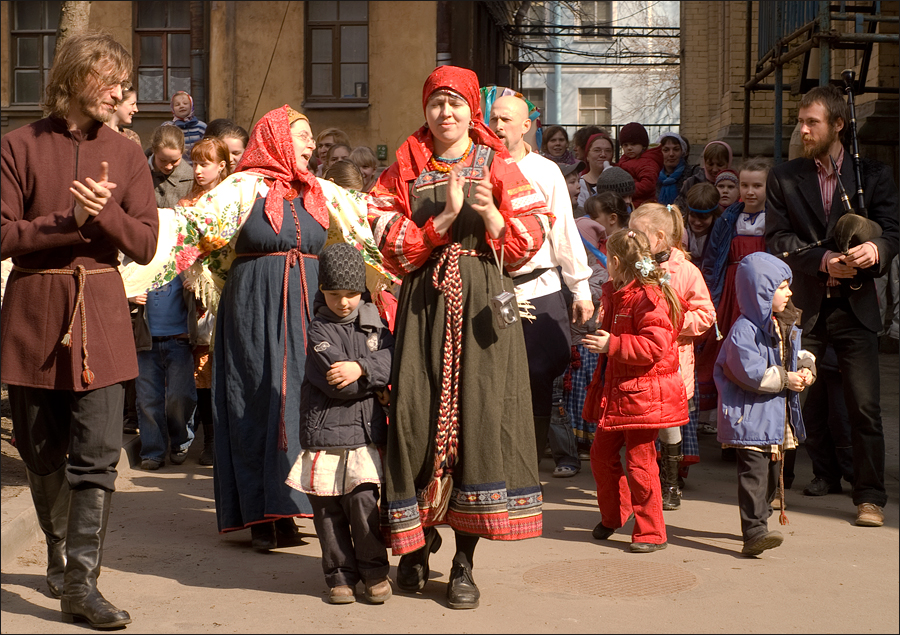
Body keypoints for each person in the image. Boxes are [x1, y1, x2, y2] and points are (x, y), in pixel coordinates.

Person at [367, 66, 552, 610]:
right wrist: (443, 219)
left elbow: (532, 237)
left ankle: (464, 562)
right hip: (423, 306)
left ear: (472, 109)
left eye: (454, 104)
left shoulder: (498, 164)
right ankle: (415, 545)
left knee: (479, 421)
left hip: (483, 312)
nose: (444, 114)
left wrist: (493, 214)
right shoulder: (404, 164)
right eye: (435, 104)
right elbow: (385, 238)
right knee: (414, 421)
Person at [1, 31, 159, 628]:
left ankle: (80, 585)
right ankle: (61, 552)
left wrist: (107, 215)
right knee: (42, 452)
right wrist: (70, 221)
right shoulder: (17, 146)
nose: (121, 92)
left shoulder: (125, 153)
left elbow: (145, 244)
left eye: (123, 81)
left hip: (104, 315)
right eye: (110, 80)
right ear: (72, 78)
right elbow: (2, 234)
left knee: (96, 454)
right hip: (35, 314)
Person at [766, 84, 899, 527]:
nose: (802, 130)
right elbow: (778, 240)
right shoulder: (784, 176)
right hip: (805, 307)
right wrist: (822, 260)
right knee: (795, 398)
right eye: (800, 122)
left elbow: (894, 233)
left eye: (812, 122)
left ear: (838, 125)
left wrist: (875, 250)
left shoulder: (872, 175)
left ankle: (870, 497)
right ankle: (783, 486)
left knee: (863, 407)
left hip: (856, 308)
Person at [212, 105, 327, 550]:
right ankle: (260, 513)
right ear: (278, 138)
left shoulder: (318, 192)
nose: (311, 143)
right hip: (255, 305)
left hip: (306, 306)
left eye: (312, 136)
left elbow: (361, 233)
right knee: (257, 397)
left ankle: (287, 505)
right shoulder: (241, 188)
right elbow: (192, 229)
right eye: (302, 135)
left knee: (298, 400)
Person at [488, 94, 593, 478]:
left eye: (506, 119)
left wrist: (580, 288)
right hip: (492, 288)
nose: (498, 126)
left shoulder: (545, 171)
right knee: (491, 380)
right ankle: (492, 466)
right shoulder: (478, 165)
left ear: (526, 126)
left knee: (539, 376)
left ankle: (526, 470)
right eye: (494, 118)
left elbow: (565, 230)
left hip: (540, 287)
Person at [285, 243, 394, 605]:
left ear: (362, 291)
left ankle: (375, 571)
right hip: (326, 436)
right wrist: (370, 373)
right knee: (329, 511)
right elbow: (340, 384)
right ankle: (340, 575)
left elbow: (393, 362)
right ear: (322, 291)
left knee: (364, 503)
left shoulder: (377, 325)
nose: (343, 303)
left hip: (365, 435)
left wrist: (361, 367)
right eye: (334, 295)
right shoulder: (318, 331)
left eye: (351, 294)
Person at [582, 228, 688, 552]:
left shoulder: (648, 296)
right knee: (600, 455)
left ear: (614, 261)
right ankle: (616, 515)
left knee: (641, 464)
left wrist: (611, 344)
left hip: (643, 395)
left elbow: (655, 345)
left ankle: (652, 532)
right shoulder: (619, 291)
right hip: (621, 391)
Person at [714, 252, 815, 555]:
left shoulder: (783, 324)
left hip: (773, 419)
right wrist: (787, 379)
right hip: (751, 419)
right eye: (782, 287)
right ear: (761, 292)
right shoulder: (743, 331)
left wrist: (807, 367)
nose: (790, 292)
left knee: (772, 476)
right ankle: (755, 531)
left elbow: (796, 354)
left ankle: (761, 521)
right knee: (754, 477)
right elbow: (751, 373)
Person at [629, 204, 716, 509]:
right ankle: (643, 482)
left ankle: (671, 482)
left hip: (673, 365)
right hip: (639, 362)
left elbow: (706, 315)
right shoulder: (633, 265)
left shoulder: (686, 271)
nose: (630, 238)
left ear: (659, 237)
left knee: (669, 427)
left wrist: (673, 323)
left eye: (636, 233)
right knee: (640, 426)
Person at [178, 137, 233, 467]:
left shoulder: (234, 199)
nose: (198, 170)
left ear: (222, 165)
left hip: (230, 291)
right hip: (197, 297)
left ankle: (229, 437)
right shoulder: (186, 204)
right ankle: (210, 439)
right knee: (203, 369)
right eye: (195, 163)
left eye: (205, 163)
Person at [567, 214, 608, 459]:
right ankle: (577, 439)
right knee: (575, 395)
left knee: (587, 392)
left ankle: (590, 439)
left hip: (589, 344)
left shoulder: (599, 273)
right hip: (575, 343)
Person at [676, 140, 733, 210]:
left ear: (728, 163)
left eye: (720, 165)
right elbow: (680, 208)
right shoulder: (692, 183)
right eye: (710, 164)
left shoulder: (734, 185)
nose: (714, 169)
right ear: (704, 162)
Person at [617, 122, 663, 208]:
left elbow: (647, 184)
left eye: (633, 144)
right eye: (625, 145)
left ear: (643, 145)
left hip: (642, 205)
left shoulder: (648, 162)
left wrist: (624, 190)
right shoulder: (625, 159)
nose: (629, 148)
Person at [148, 124, 194, 207]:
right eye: (163, 160)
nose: (169, 166)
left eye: (174, 161)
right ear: (154, 151)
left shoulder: (190, 178)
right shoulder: (138, 170)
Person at [682, 182, 721, 264]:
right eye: (693, 216)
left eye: (703, 218)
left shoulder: (719, 235)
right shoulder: (680, 230)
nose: (697, 222)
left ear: (714, 215)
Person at [655, 131, 698, 206]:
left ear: (682, 152)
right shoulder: (653, 176)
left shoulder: (693, 174)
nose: (671, 154)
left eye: (676, 149)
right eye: (666, 150)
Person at [577, 132, 616, 209]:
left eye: (608, 151)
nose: (603, 155)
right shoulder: (580, 184)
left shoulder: (618, 181)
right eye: (597, 150)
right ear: (587, 155)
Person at [164, 90, 206, 158]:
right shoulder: (168, 127)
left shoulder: (201, 127)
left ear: (191, 106)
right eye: (177, 104)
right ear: (172, 109)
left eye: (185, 103)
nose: (181, 106)